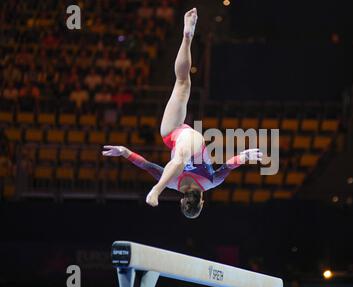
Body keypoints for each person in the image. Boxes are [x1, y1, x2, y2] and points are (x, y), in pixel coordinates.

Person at [102, 9, 262, 219]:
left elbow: (229, 165)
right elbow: (146, 165)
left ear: (202, 201)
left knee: (182, 83)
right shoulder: (175, 183)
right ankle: (155, 191)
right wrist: (125, 153)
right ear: (182, 200)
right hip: (179, 140)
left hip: (177, 137)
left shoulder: (209, 182)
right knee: (180, 156)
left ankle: (187, 37)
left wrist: (245, 156)